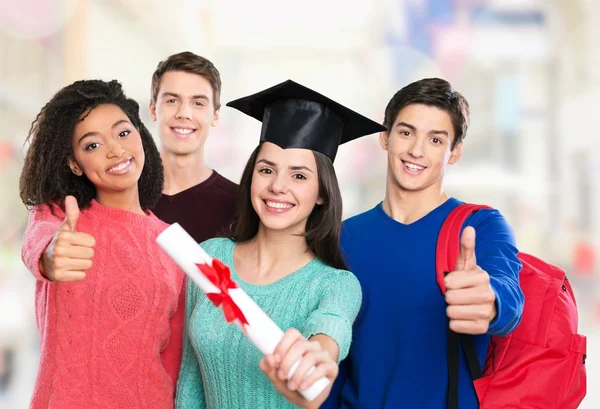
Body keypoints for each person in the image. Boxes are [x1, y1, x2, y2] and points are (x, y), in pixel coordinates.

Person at [175, 80, 386, 409]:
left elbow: (329, 332)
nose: (277, 186)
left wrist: (318, 360)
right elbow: (190, 380)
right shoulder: (212, 259)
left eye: (299, 176)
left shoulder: (334, 285)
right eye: (267, 169)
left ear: (321, 194)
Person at [323, 78, 524, 409]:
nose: (416, 150)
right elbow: (334, 356)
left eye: (435, 139)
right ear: (385, 136)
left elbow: (508, 296)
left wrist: (488, 301)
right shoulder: (343, 237)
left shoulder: (480, 226)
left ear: (454, 152)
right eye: (406, 132)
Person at [19, 79, 184, 409]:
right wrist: (50, 257)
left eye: (123, 133)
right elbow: (39, 245)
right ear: (74, 163)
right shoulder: (59, 217)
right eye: (92, 145)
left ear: (140, 135)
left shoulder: (173, 242)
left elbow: (174, 360)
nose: (115, 149)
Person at [149, 52, 238, 243]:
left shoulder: (239, 206)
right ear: (153, 110)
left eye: (198, 103)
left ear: (215, 116)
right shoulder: (123, 195)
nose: (184, 113)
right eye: (172, 100)